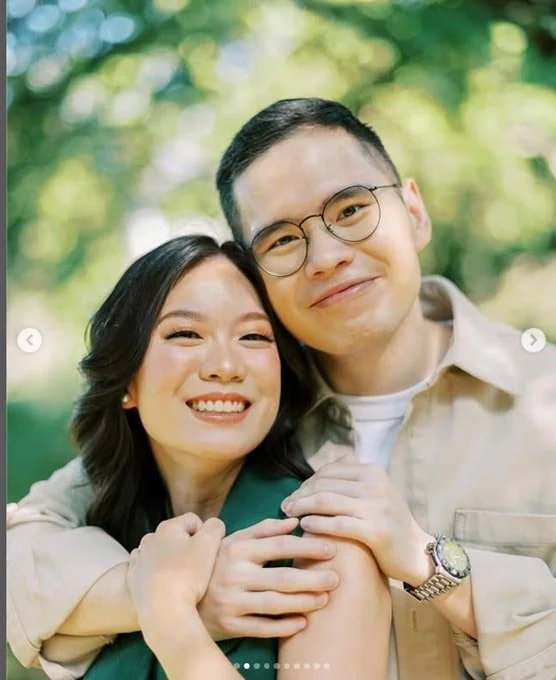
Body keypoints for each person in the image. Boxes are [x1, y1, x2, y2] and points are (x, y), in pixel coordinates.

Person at [8, 98, 556, 679]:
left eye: (351, 209)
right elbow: (26, 546)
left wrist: (432, 565)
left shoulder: (541, 400)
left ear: (415, 212)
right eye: (282, 241)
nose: (326, 257)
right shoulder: (235, 414)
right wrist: (173, 592)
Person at [8, 234, 391, 680]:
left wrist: (171, 617)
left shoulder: (325, 544)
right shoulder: (94, 522)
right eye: (186, 334)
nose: (225, 366)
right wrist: (153, 591)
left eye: (253, 336)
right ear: (126, 381)